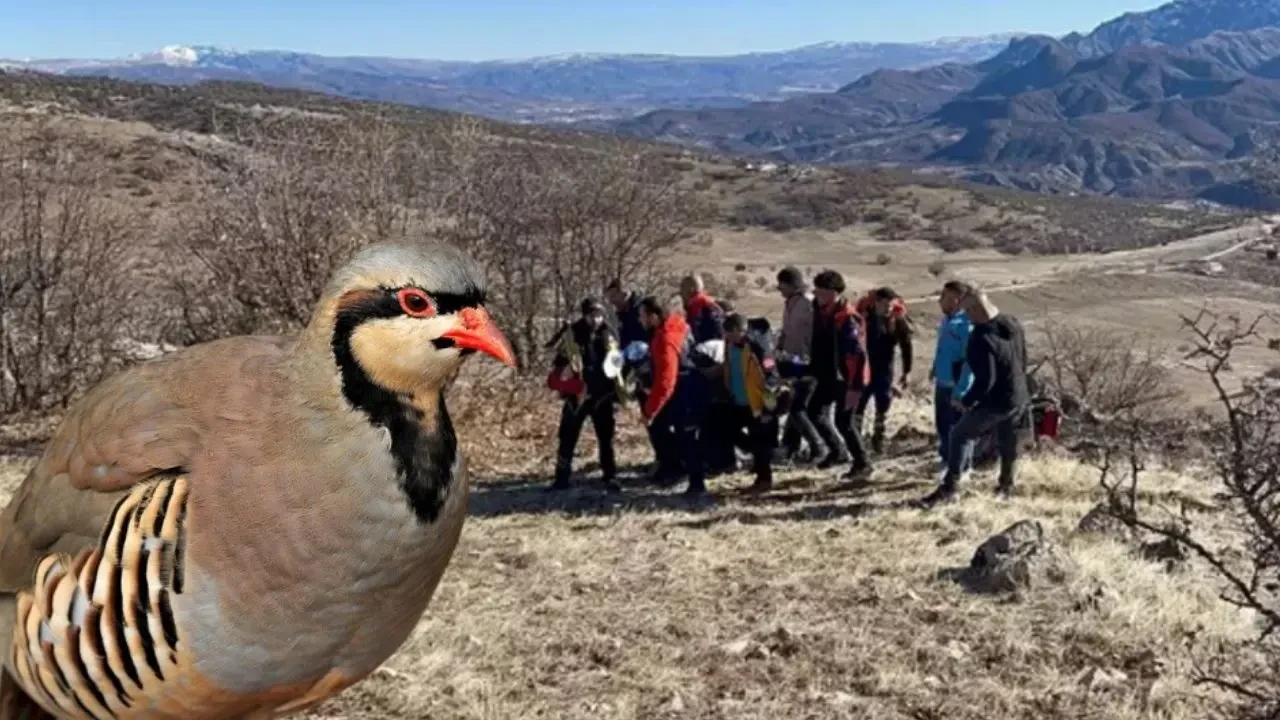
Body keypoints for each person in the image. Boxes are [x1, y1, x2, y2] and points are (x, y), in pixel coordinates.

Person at [918, 288, 1029, 507]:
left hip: (997, 400)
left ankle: (951, 488)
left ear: (976, 309)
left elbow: (985, 380)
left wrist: (965, 401)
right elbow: (1023, 357)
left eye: (967, 311)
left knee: (960, 434)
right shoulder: (1012, 323)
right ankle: (1007, 486)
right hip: (1019, 393)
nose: (966, 316)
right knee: (1008, 440)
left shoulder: (980, 336)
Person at [546, 298, 622, 493]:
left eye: (599, 315)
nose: (597, 319)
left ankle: (610, 476)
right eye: (593, 315)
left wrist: (618, 390)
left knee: (606, 438)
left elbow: (616, 365)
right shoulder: (573, 335)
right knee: (567, 437)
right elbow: (559, 366)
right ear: (585, 315)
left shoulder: (609, 333)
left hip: (602, 395)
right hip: (577, 395)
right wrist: (570, 380)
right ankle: (561, 478)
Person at [638, 295, 710, 498]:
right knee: (683, 436)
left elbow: (666, 380)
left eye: (643, 315)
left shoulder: (665, 339)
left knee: (686, 437)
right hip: (691, 387)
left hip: (683, 392)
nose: (640, 320)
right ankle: (683, 475)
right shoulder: (678, 325)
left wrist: (650, 410)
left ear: (653, 316)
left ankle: (697, 484)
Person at [805, 270, 873, 481]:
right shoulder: (820, 309)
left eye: (821, 290)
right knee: (814, 411)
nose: (816, 293)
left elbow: (857, 355)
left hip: (846, 378)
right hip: (827, 375)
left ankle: (863, 464)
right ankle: (838, 451)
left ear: (833, 292)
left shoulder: (847, 318)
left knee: (844, 422)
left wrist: (854, 387)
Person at [721, 313, 782, 492]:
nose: (726, 337)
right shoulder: (729, 345)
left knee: (760, 439)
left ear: (738, 331)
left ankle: (764, 479)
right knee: (729, 431)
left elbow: (772, 378)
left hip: (757, 402)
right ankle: (757, 456)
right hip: (738, 399)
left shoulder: (760, 347)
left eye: (728, 333)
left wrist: (769, 409)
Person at [773, 266, 825, 464]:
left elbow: (816, 333)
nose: (780, 290)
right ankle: (790, 445)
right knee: (792, 401)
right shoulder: (790, 303)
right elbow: (788, 330)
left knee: (798, 407)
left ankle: (818, 446)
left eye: (782, 286)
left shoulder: (808, 303)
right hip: (790, 359)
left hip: (805, 362)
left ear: (791, 284)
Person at [854, 287, 913, 454]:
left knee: (882, 407)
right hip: (864, 369)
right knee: (858, 407)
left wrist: (907, 371)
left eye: (891, 305)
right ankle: (856, 443)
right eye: (885, 305)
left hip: (884, 371)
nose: (888, 309)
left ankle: (878, 441)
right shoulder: (864, 318)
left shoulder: (896, 321)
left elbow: (906, 346)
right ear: (877, 302)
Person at [930, 280, 975, 478]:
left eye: (944, 297)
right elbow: (943, 349)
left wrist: (962, 390)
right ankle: (946, 458)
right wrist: (934, 368)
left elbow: (970, 361)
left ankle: (963, 467)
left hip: (957, 385)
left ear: (956, 300)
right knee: (942, 424)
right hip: (942, 381)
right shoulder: (947, 321)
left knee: (960, 428)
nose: (940, 301)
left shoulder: (967, 325)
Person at [679, 274, 726, 344]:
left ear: (690, 290)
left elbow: (695, 332)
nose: (681, 294)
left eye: (682, 290)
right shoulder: (710, 303)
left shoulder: (698, 307)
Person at [605, 279, 648, 350]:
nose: (612, 301)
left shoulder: (642, 310)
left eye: (614, 295)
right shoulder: (620, 316)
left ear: (625, 294)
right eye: (610, 297)